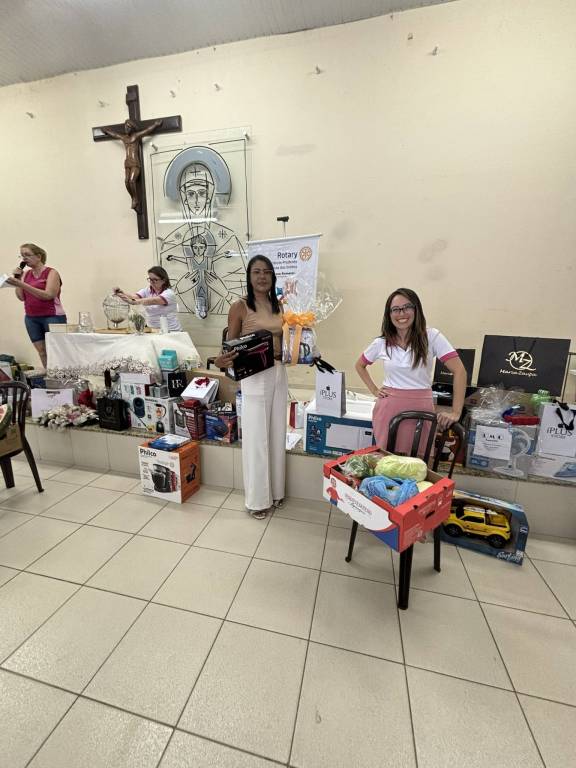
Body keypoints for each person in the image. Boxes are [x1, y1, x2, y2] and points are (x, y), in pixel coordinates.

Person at [214, 255, 287, 519]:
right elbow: (229, 345)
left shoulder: (280, 305)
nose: (262, 277)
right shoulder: (240, 306)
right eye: (257, 272)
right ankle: (257, 500)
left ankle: (276, 491)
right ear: (249, 276)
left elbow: (288, 338)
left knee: (277, 432)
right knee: (257, 437)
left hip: (279, 371)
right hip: (255, 374)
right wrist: (221, 360)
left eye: (267, 272)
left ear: (273, 276)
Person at [355, 288, 466, 455]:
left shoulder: (431, 336)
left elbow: (460, 371)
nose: (402, 313)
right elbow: (360, 365)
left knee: (419, 461)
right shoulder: (381, 343)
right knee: (387, 460)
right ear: (389, 314)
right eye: (395, 309)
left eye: (407, 307)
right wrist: (374, 390)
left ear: (416, 309)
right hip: (388, 408)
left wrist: (456, 412)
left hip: (422, 407)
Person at [6, 243, 66, 369]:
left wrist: (22, 284)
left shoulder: (51, 273)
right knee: (42, 352)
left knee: (57, 351)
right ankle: (49, 376)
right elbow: (21, 297)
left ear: (39, 256)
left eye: (27, 255)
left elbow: (48, 295)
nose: (24, 258)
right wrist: (18, 280)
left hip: (52, 316)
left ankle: (62, 377)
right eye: (22, 255)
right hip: (31, 318)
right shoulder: (25, 275)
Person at [101, 119, 162, 211]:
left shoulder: (136, 136)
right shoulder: (124, 137)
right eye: (125, 126)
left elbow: (147, 131)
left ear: (132, 128)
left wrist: (155, 125)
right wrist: (106, 131)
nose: (126, 128)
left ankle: (135, 199)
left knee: (132, 181)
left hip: (135, 162)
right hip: (127, 163)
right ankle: (133, 198)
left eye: (128, 127)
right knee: (126, 181)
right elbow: (115, 134)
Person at [114, 266, 182, 331]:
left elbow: (153, 301)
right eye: (150, 279)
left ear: (163, 280)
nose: (152, 282)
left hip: (171, 330)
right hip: (153, 330)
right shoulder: (147, 290)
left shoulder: (169, 293)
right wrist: (122, 293)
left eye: (155, 280)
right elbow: (134, 297)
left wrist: (133, 302)